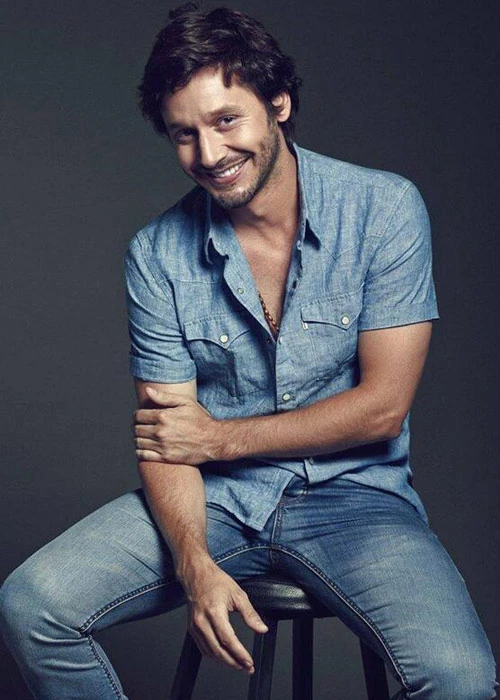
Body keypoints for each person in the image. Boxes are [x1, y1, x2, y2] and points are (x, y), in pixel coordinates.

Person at [1, 4, 497, 699]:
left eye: (226, 120)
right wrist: (194, 562)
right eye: (185, 134)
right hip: (216, 504)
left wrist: (220, 438)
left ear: (278, 104)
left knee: (460, 678)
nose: (209, 155)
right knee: (34, 605)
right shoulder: (156, 255)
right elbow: (169, 439)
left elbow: (381, 409)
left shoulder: (383, 209)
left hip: (356, 499)